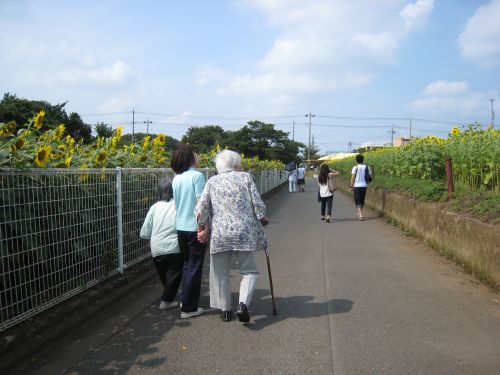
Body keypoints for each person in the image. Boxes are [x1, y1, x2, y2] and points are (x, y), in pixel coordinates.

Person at [196, 150, 269, 323]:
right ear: (235, 163)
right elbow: (257, 203)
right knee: (249, 271)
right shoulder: (245, 177)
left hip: (220, 233)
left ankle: (225, 311)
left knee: (220, 273)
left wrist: (202, 229)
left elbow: (200, 209)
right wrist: (262, 217)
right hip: (244, 232)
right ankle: (242, 305)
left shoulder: (212, 181)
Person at [171, 144, 208, 319]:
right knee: (195, 267)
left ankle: (184, 300)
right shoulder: (197, 176)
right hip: (194, 228)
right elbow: (201, 207)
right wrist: (204, 228)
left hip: (181, 227)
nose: (198, 156)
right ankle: (189, 308)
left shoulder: (177, 178)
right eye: (196, 153)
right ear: (191, 157)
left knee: (187, 265)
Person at [140, 177, 182, 310]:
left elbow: (145, 230)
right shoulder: (178, 205)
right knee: (174, 275)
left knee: (166, 276)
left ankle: (169, 295)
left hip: (156, 248)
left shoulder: (154, 207)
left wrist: (149, 239)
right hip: (174, 247)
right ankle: (166, 302)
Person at [349, 154, 369, 221]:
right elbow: (369, 176)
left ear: (356, 160)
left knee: (357, 200)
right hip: (364, 186)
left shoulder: (355, 167)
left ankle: (360, 214)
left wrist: (351, 186)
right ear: (363, 160)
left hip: (357, 186)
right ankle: (359, 212)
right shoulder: (366, 167)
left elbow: (352, 177)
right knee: (362, 200)